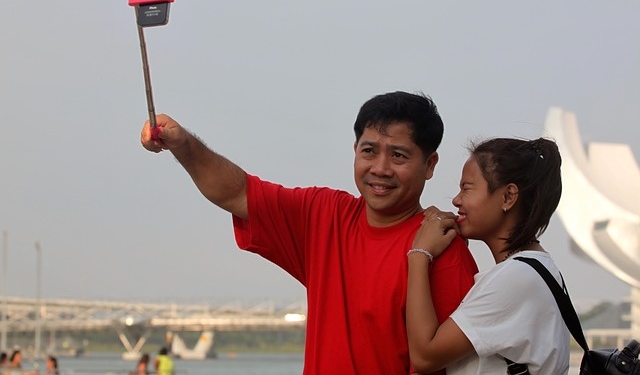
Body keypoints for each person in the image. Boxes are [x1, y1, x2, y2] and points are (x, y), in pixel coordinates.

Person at [140, 91, 479, 374]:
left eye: (399, 155)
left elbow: (459, 366)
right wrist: (183, 144)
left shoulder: (443, 250)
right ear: (355, 151)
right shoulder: (324, 215)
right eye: (369, 151)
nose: (380, 168)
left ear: (430, 164)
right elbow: (237, 193)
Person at [406, 137, 570, 374]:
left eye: (467, 188)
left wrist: (419, 253)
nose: (456, 200)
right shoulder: (536, 268)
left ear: (508, 197)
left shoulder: (515, 278)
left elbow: (424, 356)